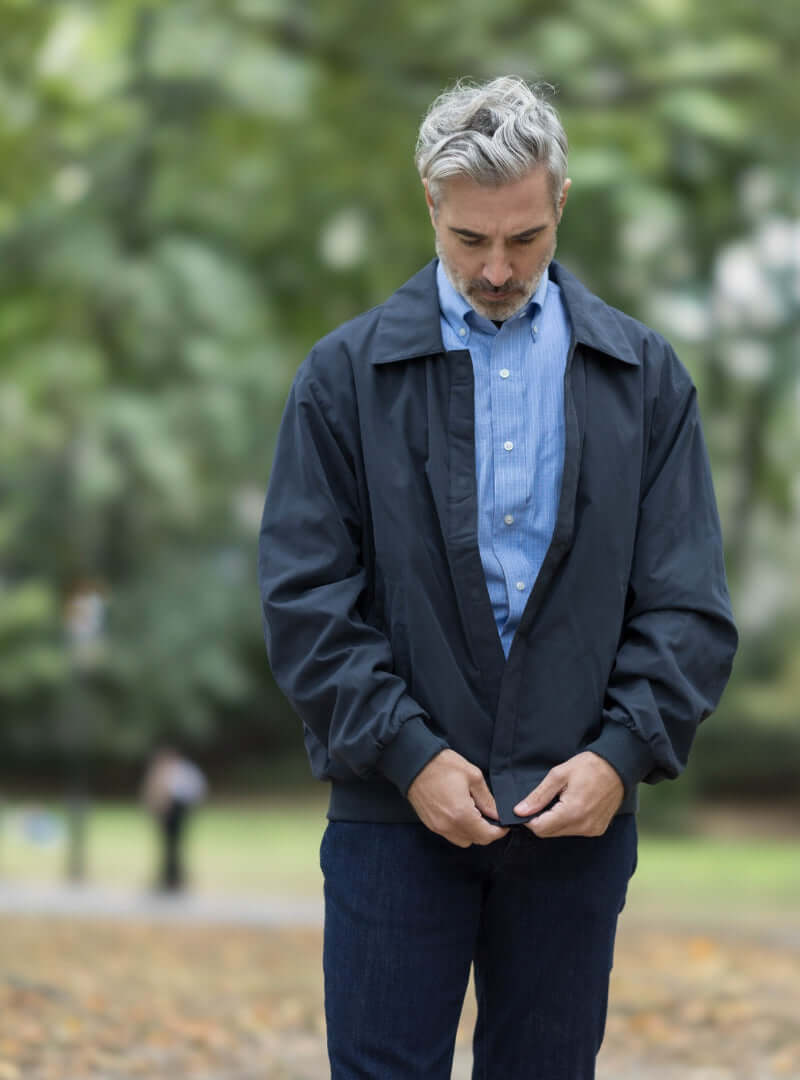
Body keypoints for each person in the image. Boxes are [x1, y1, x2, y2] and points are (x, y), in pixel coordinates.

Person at [258, 76, 738, 1080]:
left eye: (523, 237)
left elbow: (687, 602)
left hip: (579, 820)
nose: (497, 266)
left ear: (560, 199)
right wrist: (408, 754)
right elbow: (306, 602)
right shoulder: (342, 378)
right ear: (429, 203)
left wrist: (618, 756)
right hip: (394, 820)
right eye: (470, 238)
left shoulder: (646, 379)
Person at [140, 746, 207, 892]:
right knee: (168, 847)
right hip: (167, 813)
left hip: (179, 812)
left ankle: (175, 880)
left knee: (174, 847)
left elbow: (193, 791)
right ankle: (167, 879)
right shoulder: (163, 770)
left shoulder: (183, 771)